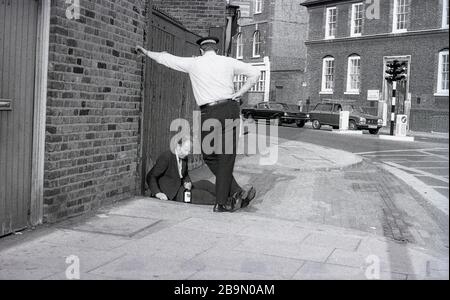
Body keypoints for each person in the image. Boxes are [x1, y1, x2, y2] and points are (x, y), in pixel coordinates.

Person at [137, 36, 259, 212]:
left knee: (209, 155)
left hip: (208, 112)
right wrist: (240, 92)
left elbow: (168, 59)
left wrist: (147, 52)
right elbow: (254, 73)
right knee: (226, 157)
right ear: (216, 50)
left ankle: (223, 201)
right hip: (229, 109)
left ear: (201, 51)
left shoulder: (194, 63)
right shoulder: (227, 61)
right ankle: (233, 194)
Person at [146, 138, 255, 209]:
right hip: (172, 192)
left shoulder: (183, 157)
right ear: (178, 147)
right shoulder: (166, 157)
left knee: (206, 184)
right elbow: (151, 176)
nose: (188, 153)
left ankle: (234, 196)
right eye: (186, 150)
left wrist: (187, 181)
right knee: (201, 195)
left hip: (181, 186)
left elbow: (185, 174)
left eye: (189, 151)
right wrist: (157, 193)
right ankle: (230, 202)